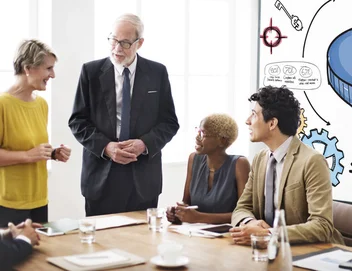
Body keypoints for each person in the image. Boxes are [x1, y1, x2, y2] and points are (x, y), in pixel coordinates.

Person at [69, 13, 179, 216]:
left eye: (126, 43)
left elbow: (169, 122)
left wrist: (144, 144)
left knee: (142, 244)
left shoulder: (157, 73)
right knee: (102, 245)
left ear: (140, 43)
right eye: (113, 40)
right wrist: (106, 147)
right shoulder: (90, 72)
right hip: (101, 175)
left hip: (143, 177)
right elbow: (77, 121)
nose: (117, 48)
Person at [230, 86, 344, 245]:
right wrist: (250, 223)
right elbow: (241, 208)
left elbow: (322, 226)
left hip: (310, 252)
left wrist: (269, 234)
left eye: (254, 114)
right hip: (269, 251)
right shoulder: (260, 159)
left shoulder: (312, 161)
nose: (247, 120)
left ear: (272, 123)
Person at [0, 40, 71, 227]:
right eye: (48, 68)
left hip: (39, 200)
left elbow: (30, 145)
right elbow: (27, 152)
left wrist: (53, 154)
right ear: (28, 68)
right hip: (8, 203)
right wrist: (27, 155)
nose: (52, 75)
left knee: (39, 254)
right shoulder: (2, 105)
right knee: (13, 255)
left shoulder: (41, 104)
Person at [166, 114, 250, 224]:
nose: (197, 138)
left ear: (222, 140)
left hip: (228, 236)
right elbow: (186, 203)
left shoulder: (239, 164)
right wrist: (178, 212)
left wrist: (198, 218)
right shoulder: (194, 159)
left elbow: (244, 214)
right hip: (195, 234)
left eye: (203, 133)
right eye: (198, 132)